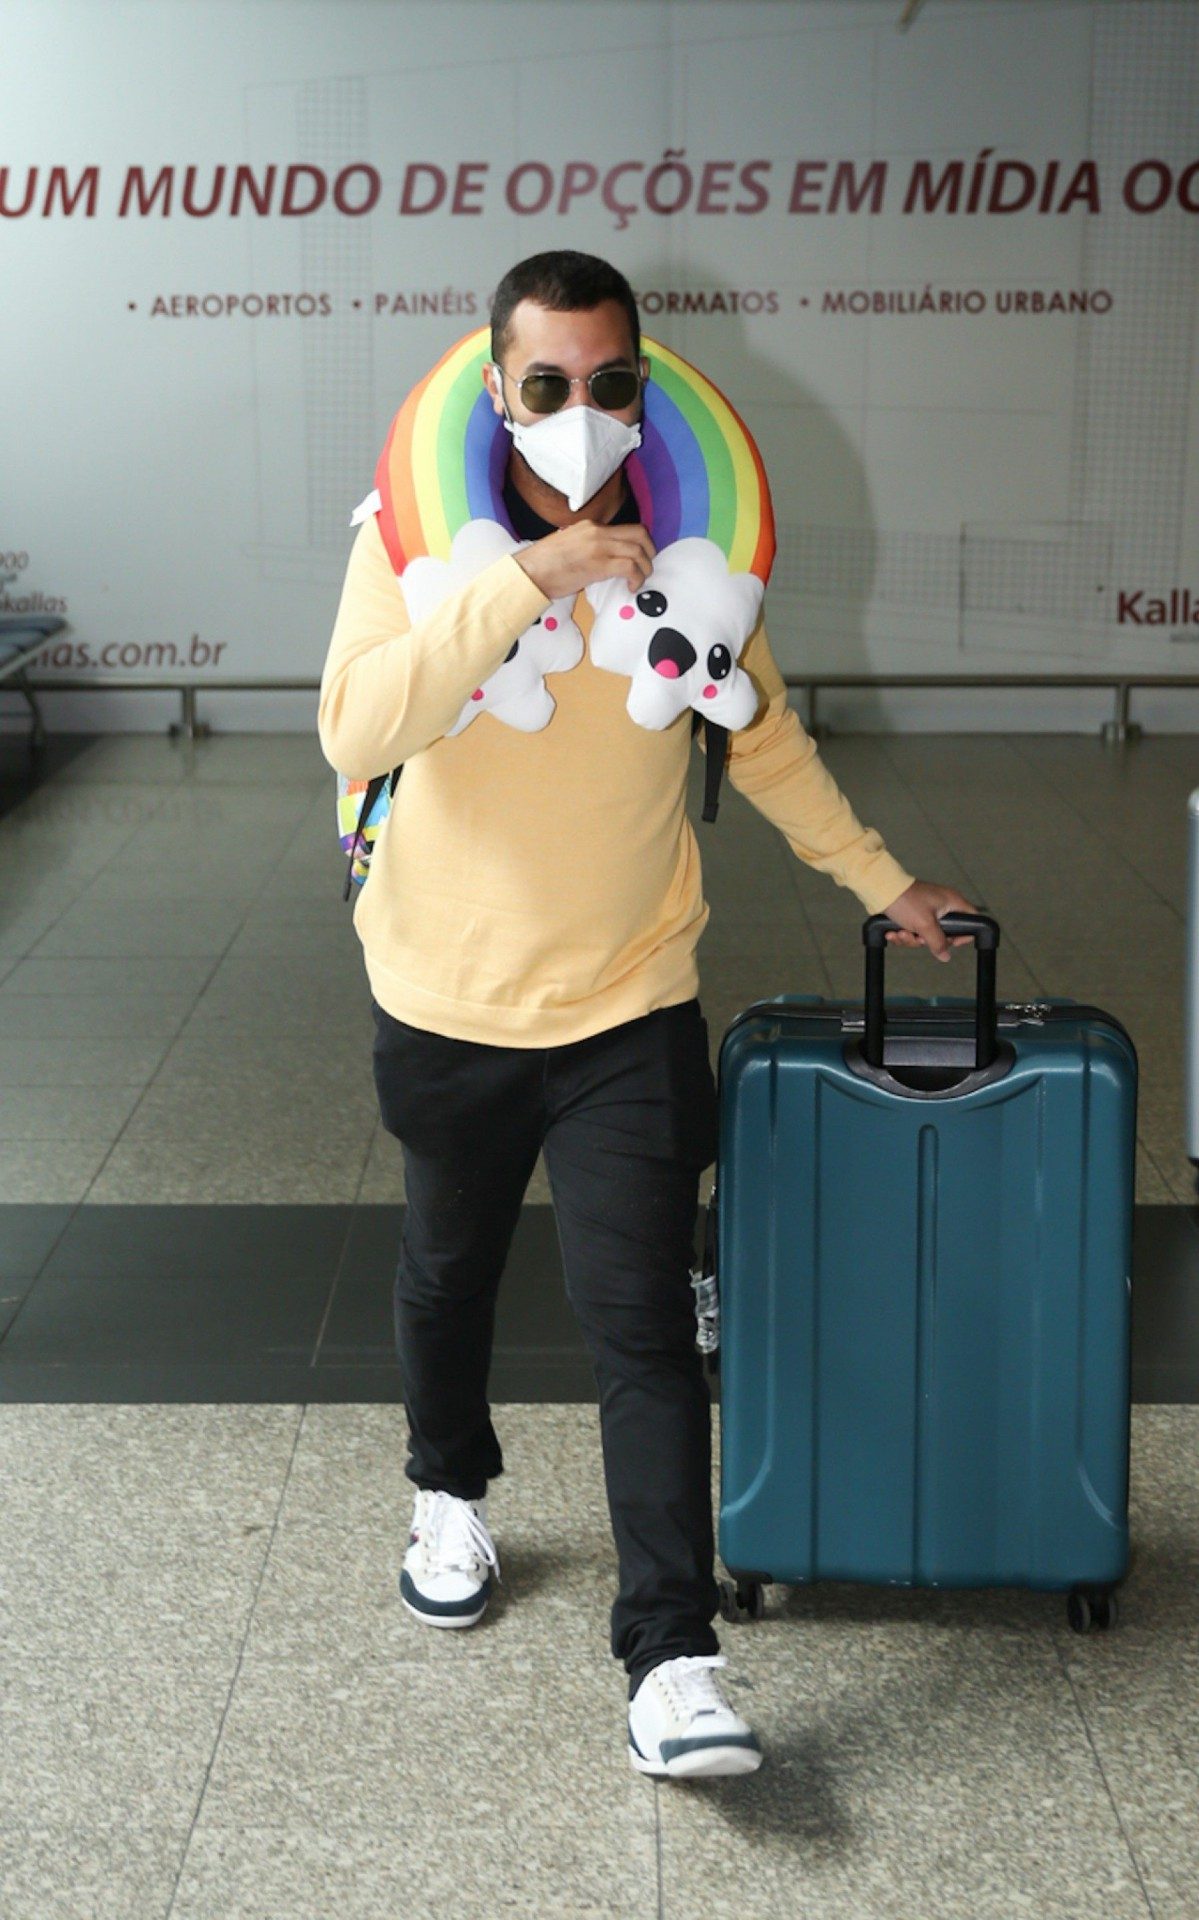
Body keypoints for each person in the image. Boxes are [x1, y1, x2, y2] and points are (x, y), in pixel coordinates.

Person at [317, 250, 978, 1781]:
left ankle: (673, 1654)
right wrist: (519, 586)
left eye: (610, 382)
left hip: (626, 1001)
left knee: (641, 1334)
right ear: (497, 390)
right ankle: (448, 1487)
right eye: (545, 385)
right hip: (447, 994)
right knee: (446, 1272)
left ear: (645, 382)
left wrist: (882, 884)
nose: (580, 412)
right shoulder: (412, 543)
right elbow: (357, 722)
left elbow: (768, 741)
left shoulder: (691, 549)